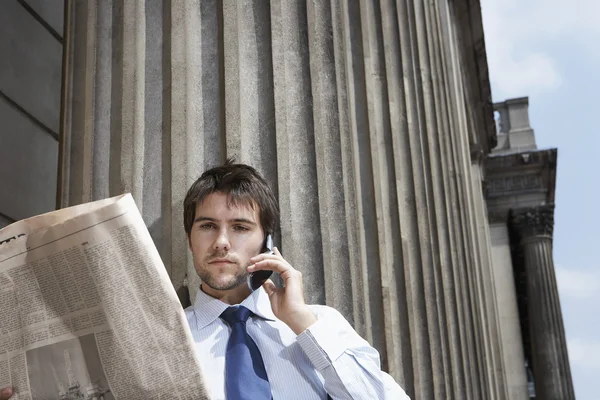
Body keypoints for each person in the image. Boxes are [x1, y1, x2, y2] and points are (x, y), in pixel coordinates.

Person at [1, 160, 410, 399]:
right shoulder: (156, 340)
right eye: (207, 226)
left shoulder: (320, 326)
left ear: (268, 242)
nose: (221, 242)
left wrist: (301, 322)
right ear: (189, 238)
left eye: (241, 227)